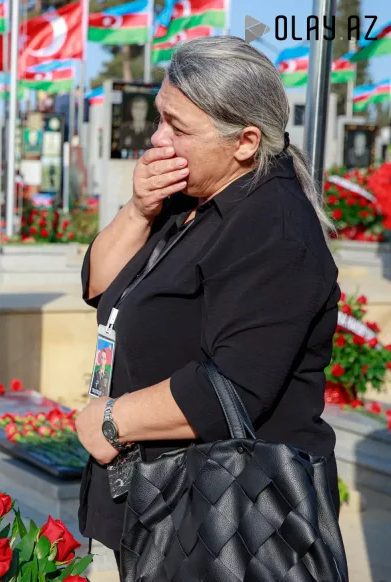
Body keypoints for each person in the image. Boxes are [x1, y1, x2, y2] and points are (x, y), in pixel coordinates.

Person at [74, 36, 342, 575]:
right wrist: (139, 208)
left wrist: (110, 422)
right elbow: (101, 287)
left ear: (244, 141)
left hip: (230, 521)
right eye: (159, 118)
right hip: (163, 501)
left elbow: (235, 387)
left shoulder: (275, 229)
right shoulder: (192, 196)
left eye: (178, 126)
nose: (157, 138)